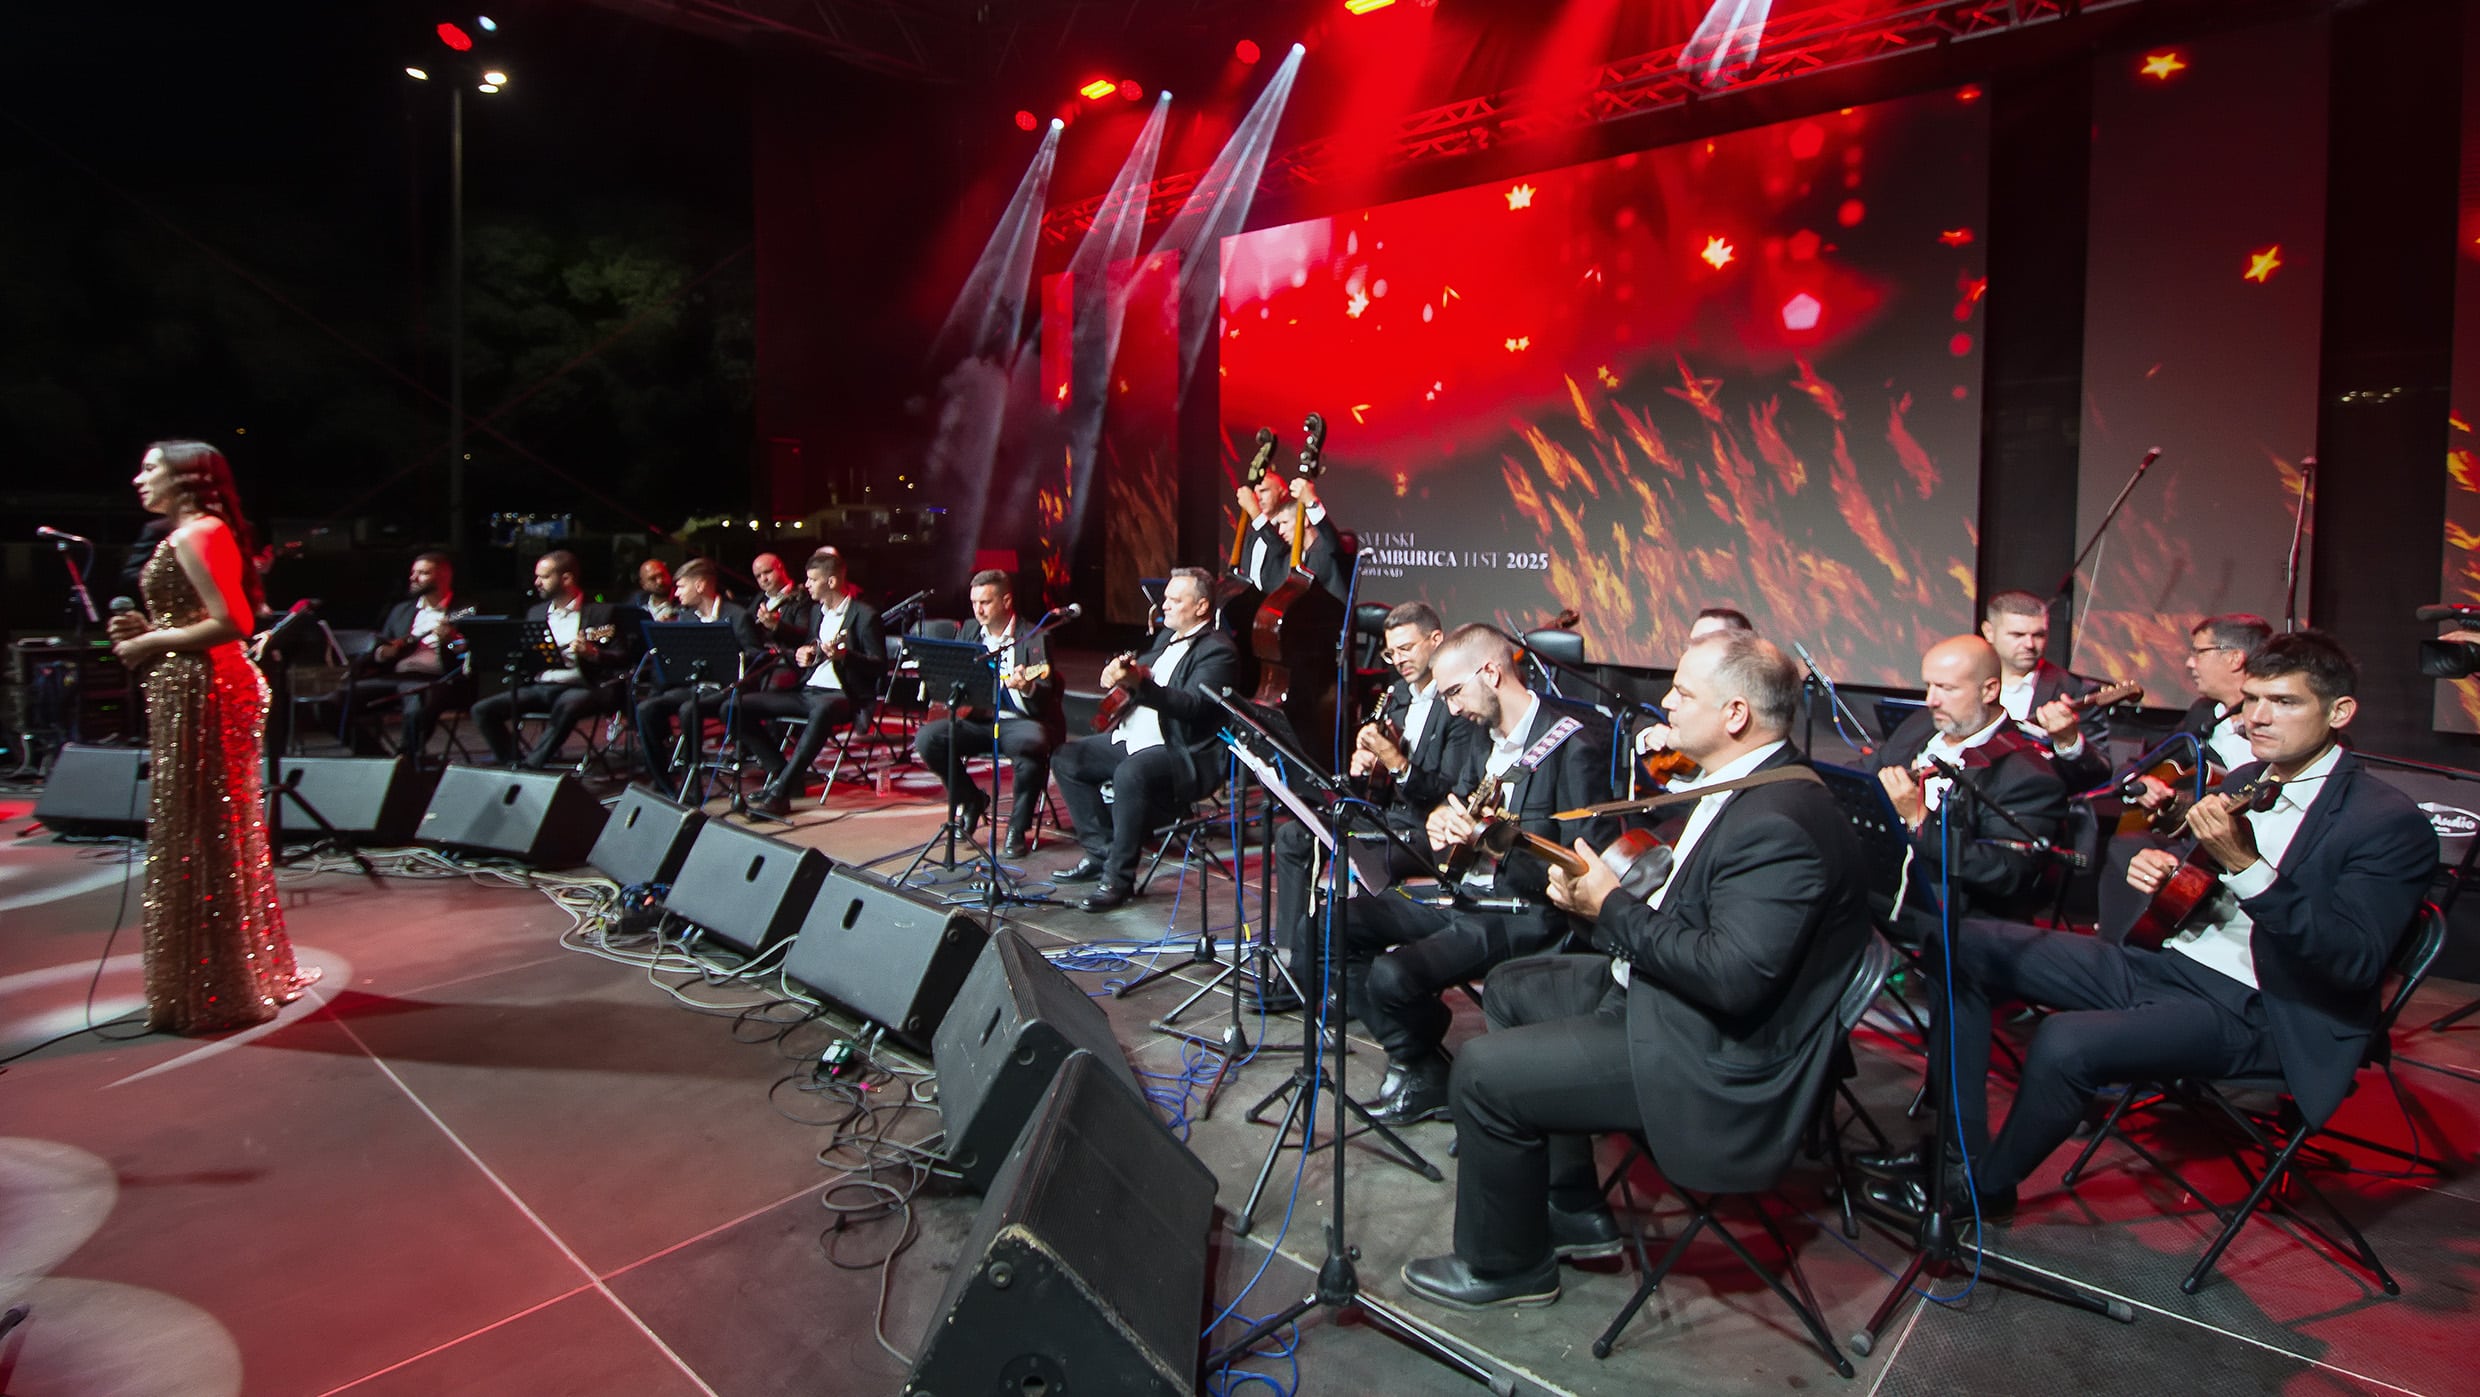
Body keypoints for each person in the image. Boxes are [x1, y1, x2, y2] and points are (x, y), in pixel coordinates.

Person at [1857, 631, 2437, 1221]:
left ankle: (1982, 1191)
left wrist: (2247, 868)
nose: (2257, 718)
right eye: (2252, 700)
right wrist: (2169, 873)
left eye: (2283, 702)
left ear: (2339, 712)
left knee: (2064, 1041)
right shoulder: (2247, 778)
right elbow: (2204, 881)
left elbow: (2353, 961)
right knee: (1958, 942)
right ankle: (1956, 1155)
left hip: (2263, 1009)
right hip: (2169, 966)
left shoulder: (2385, 822)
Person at [1396, 631, 1870, 1309]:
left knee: (1479, 1071)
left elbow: (1730, 978)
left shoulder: (1780, 822)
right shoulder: (1749, 786)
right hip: (1669, 998)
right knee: (1513, 986)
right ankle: (1574, 1208)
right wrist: (1592, 903)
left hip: (1708, 1052)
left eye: (1682, 692)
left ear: (1735, 714)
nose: (1665, 703)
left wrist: (1611, 906)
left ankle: (1505, 1265)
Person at [1343, 624, 1617, 1126]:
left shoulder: (1573, 746)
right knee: (1333, 925)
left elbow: (1584, 866)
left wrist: (1489, 841)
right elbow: (1458, 809)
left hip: (1523, 913)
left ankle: (1428, 1066)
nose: (1451, 709)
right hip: (1465, 892)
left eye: (1454, 692)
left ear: (1490, 673)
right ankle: (1426, 1063)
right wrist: (1443, 824)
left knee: (1393, 974)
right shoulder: (1478, 736)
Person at [105, 440, 316, 1035]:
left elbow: (233, 622)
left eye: (150, 467)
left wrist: (148, 642)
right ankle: (215, 976)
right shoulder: (193, 533)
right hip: (192, 686)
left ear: (187, 477)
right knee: (203, 829)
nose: (139, 478)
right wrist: (151, 629)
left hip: (207, 689)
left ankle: (219, 982)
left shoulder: (199, 533)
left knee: (206, 831)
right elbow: (195, 616)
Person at [1255, 601, 1481, 1013]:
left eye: (1407, 649)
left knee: (1360, 853)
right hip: (1384, 815)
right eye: (1391, 653)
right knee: (1293, 836)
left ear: (1436, 640)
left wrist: (1393, 761)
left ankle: (1338, 981)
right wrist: (1366, 765)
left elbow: (1448, 793)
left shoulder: (1459, 703)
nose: (1399, 660)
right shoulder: (1397, 694)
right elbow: (1379, 777)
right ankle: (1293, 964)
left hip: (1425, 829)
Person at [1051, 568, 1244, 912]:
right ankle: (1101, 853)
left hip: (1180, 750)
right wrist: (1119, 673)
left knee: (1132, 772)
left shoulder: (1218, 651)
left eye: (1174, 600)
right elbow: (1141, 672)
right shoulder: (1167, 638)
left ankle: (1118, 880)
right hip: (1135, 737)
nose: (1163, 605)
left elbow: (1193, 706)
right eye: (1165, 598)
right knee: (1067, 758)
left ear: (1201, 606)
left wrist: (1140, 684)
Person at [2091, 612, 2275, 940]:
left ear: (2234, 658)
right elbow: (2145, 763)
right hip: (2191, 842)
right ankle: (2120, 948)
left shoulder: (2275, 726)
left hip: (2251, 849)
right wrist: (2141, 783)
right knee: (2127, 847)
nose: (2190, 663)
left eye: (2199, 652)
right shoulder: (2204, 713)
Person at [1872, 635, 2069, 939]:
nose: (1931, 700)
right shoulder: (1922, 724)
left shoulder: (2027, 775)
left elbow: (2007, 873)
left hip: (1950, 922)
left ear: (1989, 690)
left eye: (1947, 689)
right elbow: (1869, 770)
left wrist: (1919, 820)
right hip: (1877, 892)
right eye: (1929, 686)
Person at [914, 569, 1062, 859]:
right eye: (974, 603)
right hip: (976, 719)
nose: (978, 610)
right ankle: (970, 800)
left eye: (985, 602)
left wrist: (1028, 686)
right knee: (928, 739)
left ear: (1006, 601)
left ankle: (1017, 828)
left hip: (1017, 721)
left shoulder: (1033, 636)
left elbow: (1046, 695)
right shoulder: (970, 630)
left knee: (1031, 744)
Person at [736, 548, 886, 816]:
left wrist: (845, 656)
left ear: (831, 581)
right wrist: (804, 653)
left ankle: (779, 793)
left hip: (843, 695)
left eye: (812, 580)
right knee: (734, 706)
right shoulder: (817, 612)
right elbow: (810, 646)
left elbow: (879, 666)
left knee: (823, 709)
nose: (806, 585)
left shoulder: (864, 615)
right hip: (808, 689)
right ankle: (782, 775)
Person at [472, 550, 631, 770]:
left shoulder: (600, 613)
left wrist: (593, 653)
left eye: (544, 577)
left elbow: (623, 657)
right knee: (482, 710)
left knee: (567, 705)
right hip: (542, 685)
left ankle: (532, 766)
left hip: (583, 686)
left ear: (566, 578)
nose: (537, 582)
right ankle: (511, 762)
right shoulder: (536, 612)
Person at [322, 551, 469, 763]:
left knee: (417, 705)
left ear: (444, 576)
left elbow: (469, 653)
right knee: (330, 703)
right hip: (396, 676)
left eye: (423, 573)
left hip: (438, 679)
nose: (414, 578)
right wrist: (383, 653)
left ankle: (406, 758)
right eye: (413, 572)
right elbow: (381, 646)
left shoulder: (464, 610)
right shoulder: (402, 610)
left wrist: (451, 641)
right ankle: (376, 758)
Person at [633, 558, 764, 792]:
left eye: (681, 586)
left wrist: (731, 656)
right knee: (646, 709)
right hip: (694, 686)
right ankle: (662, 782)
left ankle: (692, 783)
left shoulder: (736, 615)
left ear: (700, 585)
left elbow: (756, 656)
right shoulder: (686, 617)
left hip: (727, 688)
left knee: (688, 709)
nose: (676, 593)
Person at [1235, 472, 1347, 599]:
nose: (1281, 531)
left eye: (1285, 523)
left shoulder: (1326, 548)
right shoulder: (1288, 560)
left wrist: (1311, 501)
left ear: (1305, 520)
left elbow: (1331, 539)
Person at [745, 551, 815, 690]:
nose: (763, 579)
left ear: (780, 568)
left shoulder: (802, 596)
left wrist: (776, 626)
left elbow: (805, 635)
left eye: (767, 572)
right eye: (758, 576)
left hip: (787, 662)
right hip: (760, 659)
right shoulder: (759, 599)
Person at [634, 557, 682, 622]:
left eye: (662, 575)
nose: (660, 581)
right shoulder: (639, 605)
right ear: (643, 585)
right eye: (653, 578)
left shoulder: (684, 601)